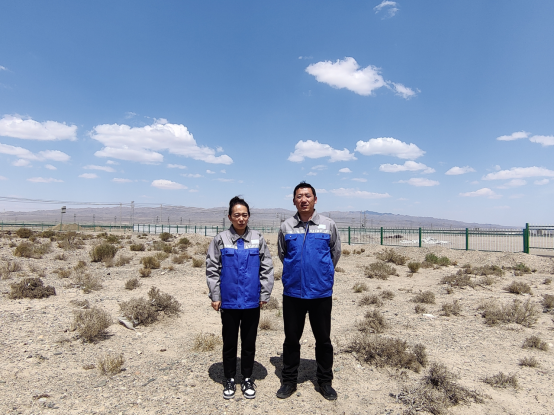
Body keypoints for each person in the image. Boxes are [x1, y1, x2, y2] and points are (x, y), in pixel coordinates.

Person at [276, 182, 341, 401]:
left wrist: (322, 273)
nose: (303, 199)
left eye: (307, 195)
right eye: (299, 196)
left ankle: (325, 381)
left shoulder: (328, 225)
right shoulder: (286, 226)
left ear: (315, 199)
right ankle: (289, 381)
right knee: (291, 339)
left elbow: (335, 253)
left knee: (323, 339)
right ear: (294, 200)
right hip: (293, 293)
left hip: (320, 293)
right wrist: (296, 272)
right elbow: (283, 254)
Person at [206, 196, 274, 400]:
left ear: (249, 216)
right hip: (229, 301)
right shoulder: (220, 240)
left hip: (252, 300)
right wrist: (215, 295)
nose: (241, 218)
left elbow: (267, 268)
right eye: (237, 215)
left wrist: (264, 293)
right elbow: (212, 269)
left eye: (244, 215)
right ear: (230, 217)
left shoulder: (258, 238)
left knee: (249, 342)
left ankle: (247, 378)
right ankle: (229, 378)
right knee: (229, 343)